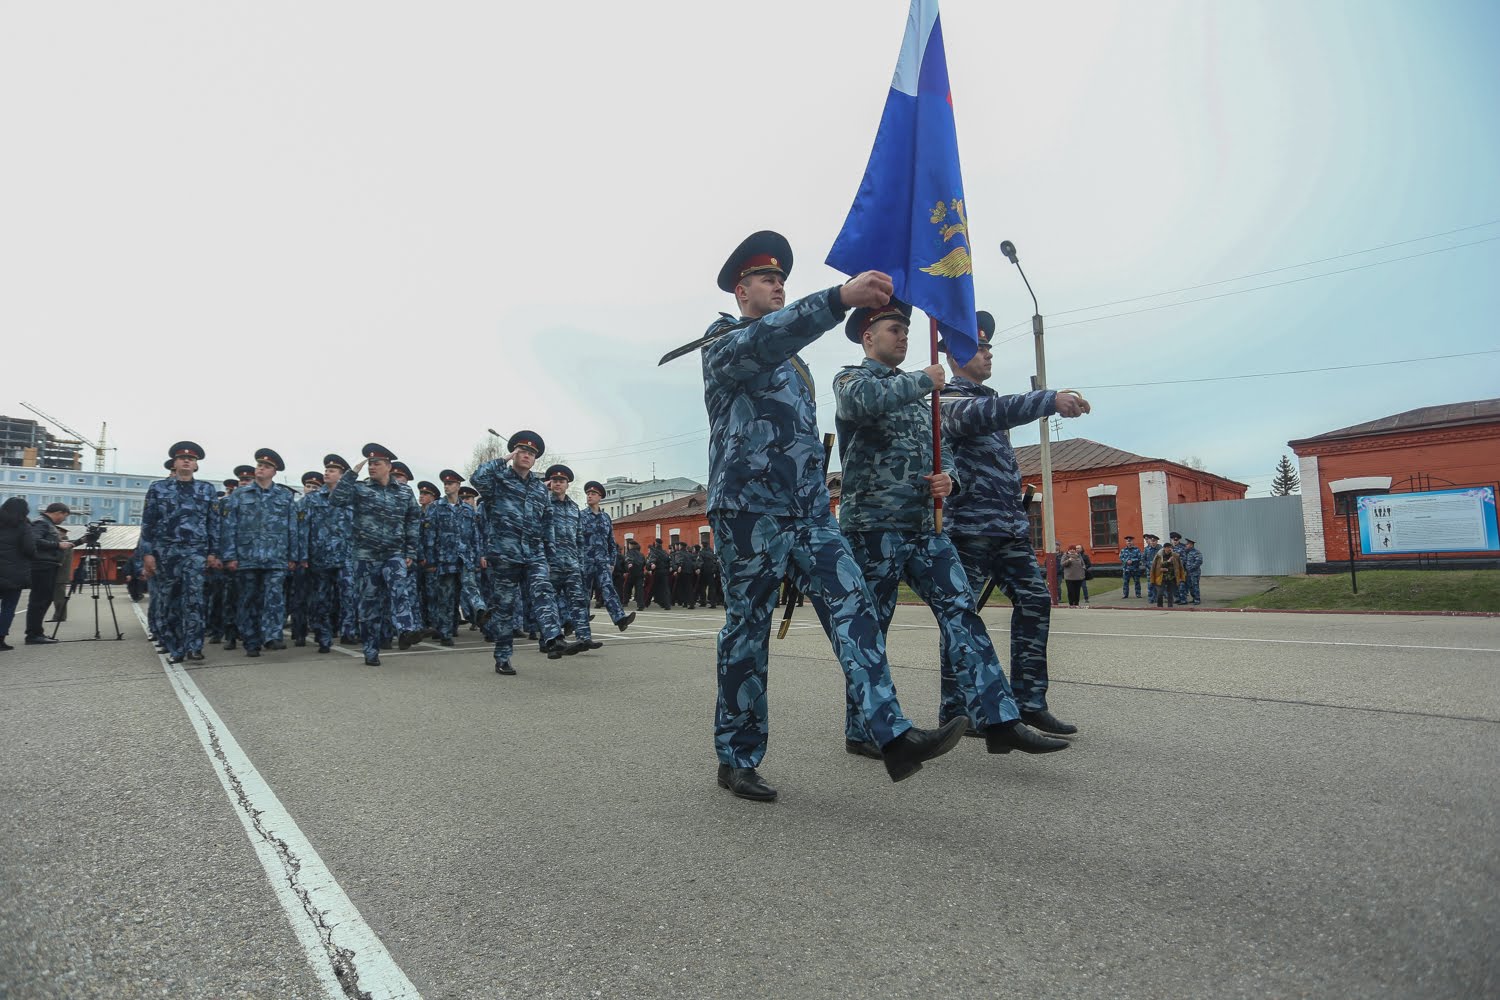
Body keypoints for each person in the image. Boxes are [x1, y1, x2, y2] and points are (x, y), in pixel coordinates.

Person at [698, 229, 966, 802]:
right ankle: (737, 758)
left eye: (781, 278)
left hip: (810, 513)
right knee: (748, 630)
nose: (778, 284)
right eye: (766, 278)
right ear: (741, 291)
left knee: (855, 607)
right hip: (748, 511)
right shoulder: (724, 342)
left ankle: (890, 733)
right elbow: (768, 337)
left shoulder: (798, 365)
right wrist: (838, 298)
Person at [825, 298, 1065, 759]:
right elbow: (860, 404)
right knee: (872, 628)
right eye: (894, 329)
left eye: (905, 330)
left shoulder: (923, 398)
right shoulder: (852, 380)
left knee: (962, 612)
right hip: (873, 528)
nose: (903, 336)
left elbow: (943, 450)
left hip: (925, 530)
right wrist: (922, 380)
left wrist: (948, 479)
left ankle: (999, 719)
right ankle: (863, 729)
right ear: (868, 338)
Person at [938, 309, 1091, 735]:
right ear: (953, 354)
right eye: (979, 347)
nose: (988, 354)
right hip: (968, 531)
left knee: (1036, 601)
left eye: (989, 346)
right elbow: (985, 415)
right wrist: (1048, 400)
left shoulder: (989, 399)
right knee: (962, 617)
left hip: (1008, 531)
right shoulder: (946, 400)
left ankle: (1029, 702)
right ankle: (957, 709)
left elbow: (995, 415)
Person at [470, 431, 586, 675]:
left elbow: (547, 523)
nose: (526, 455)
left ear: (535, 459)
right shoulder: (498, 480)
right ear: (514, 453)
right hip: (504, 554)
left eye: (531, 453)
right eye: (522, 450)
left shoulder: (539, 489)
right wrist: (502, 459)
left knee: (544, 590)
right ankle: (503, 657)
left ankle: (553, 639)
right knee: (504, 608)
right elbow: (476, 478)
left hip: (534, 553)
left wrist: (551, 556)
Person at [329, 444, 427, 666]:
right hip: (366, 556)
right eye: (370, 464)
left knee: (400, 589)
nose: (372, 467)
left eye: (377, 463)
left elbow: (413, 521)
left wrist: (410, 551)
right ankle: (371, 650)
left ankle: (406, 630)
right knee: (369, 606)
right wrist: (351, 473)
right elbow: (336, 500)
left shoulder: (404, 492)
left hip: (394, 553)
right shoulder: (360, 489)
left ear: (388, 466)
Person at [139, 441, 223, 663]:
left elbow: (213, 523)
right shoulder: (158, 488)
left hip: (196, 552)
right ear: (174, 464)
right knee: (169, 601)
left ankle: (194, 646)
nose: (187, 461)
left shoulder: (206, 489)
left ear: (196, 465)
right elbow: (147, 523)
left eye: (191, 459)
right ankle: (175, 647)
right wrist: (147, 554)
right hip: (166, 552)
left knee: (195, 599)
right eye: (182, 458)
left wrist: (213, 552)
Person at [221, 449, 299, 657]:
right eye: (259, 465)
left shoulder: (284, 496)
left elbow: (293, 527)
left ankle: (272, 636)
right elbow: (229, 526)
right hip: (247, 556)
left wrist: (293, 556)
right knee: (249, 599)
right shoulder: (240, 494)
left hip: (276, 556)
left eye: (266, 466)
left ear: (274, 472)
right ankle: (251, 640)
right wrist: (229, 556)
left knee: (274, 597)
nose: (261, 469)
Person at [580, 480, 635, 632]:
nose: (589, 496)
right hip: (585, 561)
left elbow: (611, 542)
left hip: (602, 562)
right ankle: (579, 622)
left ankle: (620, 619)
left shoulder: (605, 518)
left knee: (608, 588)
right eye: (588, 493)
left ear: (600, 497)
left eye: (593, 493)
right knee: (584, 593)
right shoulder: (581, 516)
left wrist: (611, 562)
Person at [23, 503, 74, 645]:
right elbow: (35, 540)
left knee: (44, 599)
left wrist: (81, 541)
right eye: (64, 516)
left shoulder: (46, 523)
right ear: (58, 512)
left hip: (47, 565)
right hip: (42, 566)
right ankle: (33, 634)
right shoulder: (41, 523)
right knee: (39, 600)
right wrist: (58, 545)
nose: (64, 520)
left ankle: (36, 632)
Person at [0, 497, 38, 651]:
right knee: (8, 607)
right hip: (13, 573)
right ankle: (0, 639)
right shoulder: (23, 526)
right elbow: (29, 549)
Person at [1151, 541, 1185, 608]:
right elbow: (1154, 568)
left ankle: (1170, 607)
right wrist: (1167, 563)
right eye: (1168, 547)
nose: (1169, 549)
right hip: (1161, 577)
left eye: (1170, 547)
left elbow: (1180, 567)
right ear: (1164, 548)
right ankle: (1160, 607)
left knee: (1170, 593)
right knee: (1160, 593)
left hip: (1171, 577)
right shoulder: (1159, 556)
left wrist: (1182, 577)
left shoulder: (1175, 556)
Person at [1182, 538, 1204, 605]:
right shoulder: (1186, 552)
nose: (1186, 545)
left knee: (1195, 586)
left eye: (1187, 544)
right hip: (1188, 573)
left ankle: (1197, 599)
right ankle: (1194, 598)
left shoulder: (1196, 552)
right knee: (1190, 586)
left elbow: (1199, 561)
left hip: (1194, 572)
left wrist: (1191, 567)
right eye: (1186, 544)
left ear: (1191, 545)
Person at [1142, 534, 1162, 605]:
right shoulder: (1146, 549)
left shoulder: (1160, 549)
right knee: (1150, 584)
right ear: (1150, 541)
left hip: (1159, 570)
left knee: (1159, 584)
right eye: (1152, 541)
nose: (1153, 543)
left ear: (1157, 541)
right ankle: (1151, 598)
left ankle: (1158, 598)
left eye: (1154, 541)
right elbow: (1143, 559)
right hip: (1149, 570)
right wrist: (1148, 565)